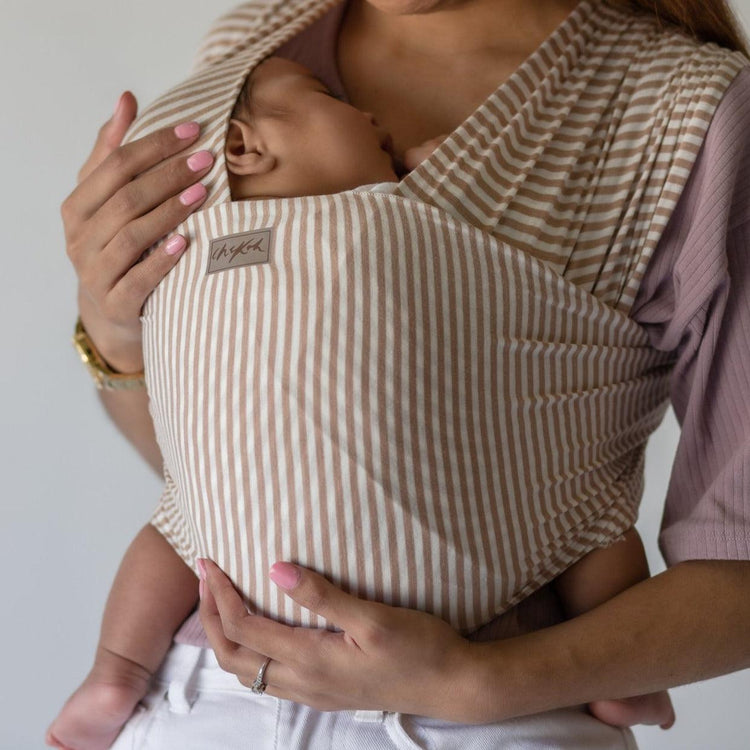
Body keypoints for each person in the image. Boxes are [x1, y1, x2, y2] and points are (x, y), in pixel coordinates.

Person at [54, 0, 750, 747]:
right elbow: (226, 457)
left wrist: (482, 682)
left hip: (492, 723)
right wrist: (114, 327)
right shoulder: (256, 46)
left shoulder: (685, 112)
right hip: (200, 698)